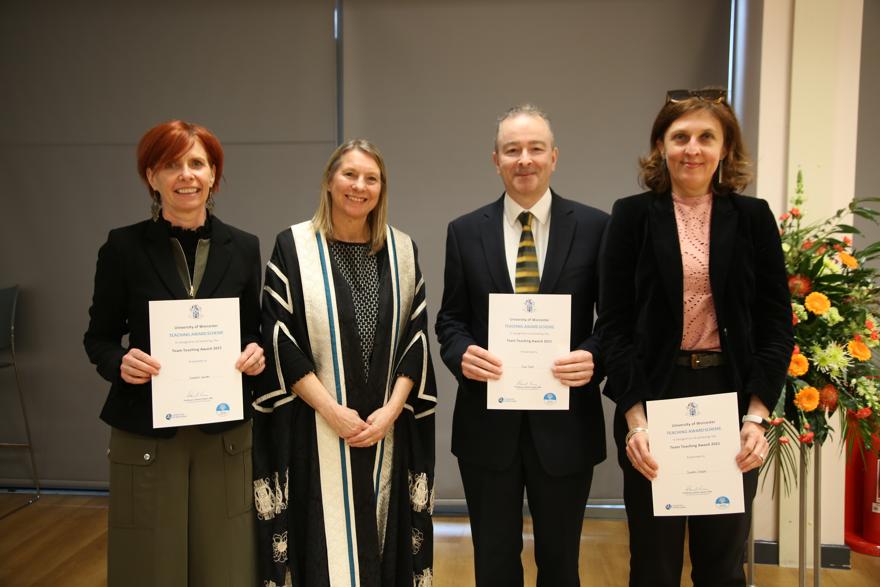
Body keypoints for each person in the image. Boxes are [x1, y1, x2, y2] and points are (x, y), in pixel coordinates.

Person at [597, 89, 794, 587]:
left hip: (729, 403)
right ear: (660, 146)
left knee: (722, 563)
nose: (693, 148)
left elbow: (776, 323)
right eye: (680, 136)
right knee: (654, 563)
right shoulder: (632, 216)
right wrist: (634, 417)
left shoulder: (752, 218)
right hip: (654, 399)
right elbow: (614, 324)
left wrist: (757, 413)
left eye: (707, 137)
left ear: (725, 148)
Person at [83, 120, 265, 586]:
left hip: (221, 431)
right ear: (151, 176)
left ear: (214, 177)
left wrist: (255, 354)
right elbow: (98, 337)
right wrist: (119, 362)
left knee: (225, 566)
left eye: (197, 164)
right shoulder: (122, 247)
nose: (186, 175)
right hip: (145, 431)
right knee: (149, 566)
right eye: (171, 164)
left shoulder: (243, 247)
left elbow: (255, 331)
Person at [435, 104, 608, 586]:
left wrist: (593, 355)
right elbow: (450, 320)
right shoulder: (465, 231)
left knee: (560, 563)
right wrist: (461, 353)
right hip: (487, 428)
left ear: (554, 157)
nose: (524, 159)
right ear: (496, 160)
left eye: (535, 149)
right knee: (493, 563)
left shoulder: (596, 227)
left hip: (567, 426)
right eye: (512, 150)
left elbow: (614, 323)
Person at [253, 139, 437, 587]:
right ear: (329, 182)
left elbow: (416, 341)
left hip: (384, 429)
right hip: (316, 427)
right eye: (349, 175)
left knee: (382, 543)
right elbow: (280, 338)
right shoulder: (293, 247)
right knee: (320, 546)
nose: (359, 186)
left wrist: (390, 413)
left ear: (382, 188)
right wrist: (332, 411)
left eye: (371, 178)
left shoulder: (403, 250)